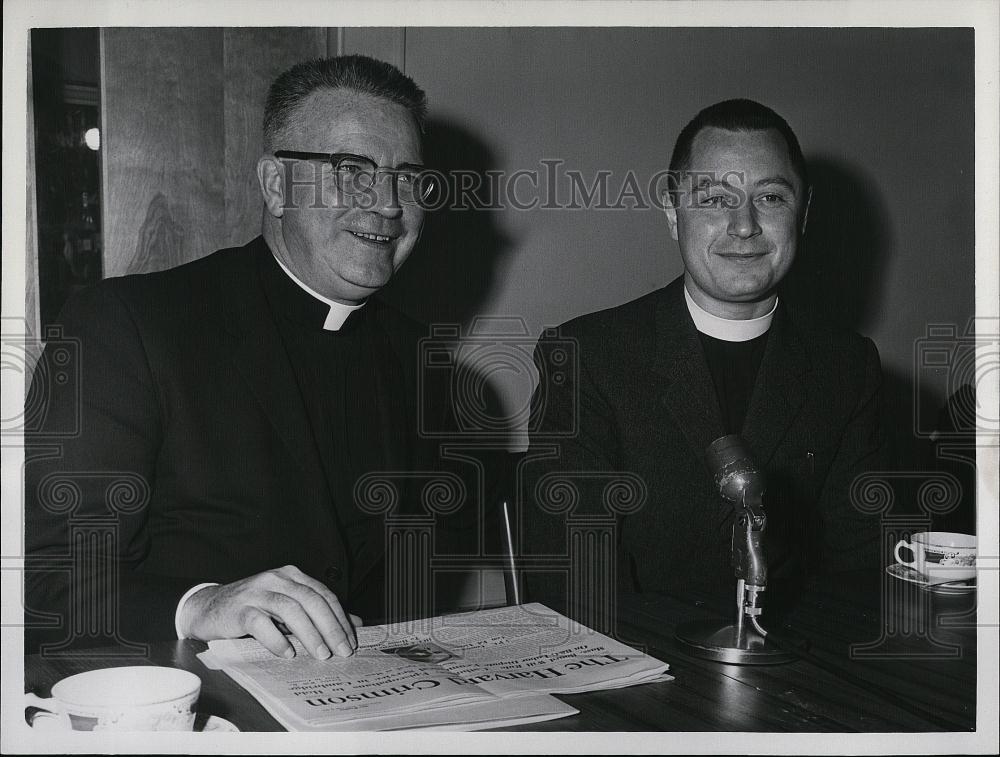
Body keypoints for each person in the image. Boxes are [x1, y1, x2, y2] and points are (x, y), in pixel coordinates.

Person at [24, 55, 448, 659]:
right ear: (276, 186)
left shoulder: (420, 356)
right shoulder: (126, 325)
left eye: (408, 178)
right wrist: (200, 605)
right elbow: (40, 581)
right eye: (350, 171)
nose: (386, 204)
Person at [522, 99, 885, 617]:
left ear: (803, 215)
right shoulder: (587, 357)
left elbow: (858, 576)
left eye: (771, 197)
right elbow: (577, 587)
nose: (744, 224)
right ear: (673, 214)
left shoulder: (847, 367)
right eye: (716, 198)